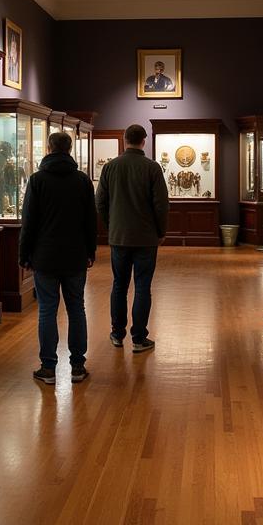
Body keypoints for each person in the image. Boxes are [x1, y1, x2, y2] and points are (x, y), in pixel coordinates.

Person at [19, 130, 97, 385]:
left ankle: (48, 367)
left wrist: (24, 254)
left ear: (50, 148)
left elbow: (28, 222)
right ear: (70, 149)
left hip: (45, 256)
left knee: (47, 311)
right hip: (75, 255)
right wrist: (90, 251)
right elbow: (90, 221)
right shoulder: (82, 180)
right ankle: (77, 366)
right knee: (77, 309)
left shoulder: (37, 180)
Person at [95, 122, 168, 352]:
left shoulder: (110, 167)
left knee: (119, 285)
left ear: (125, 140)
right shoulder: (152, 168)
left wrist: (111, 226)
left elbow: (100, 202)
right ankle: (138, 338)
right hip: (146, 238)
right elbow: (161, 205)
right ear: (143, 141)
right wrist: (161, 231)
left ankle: (117, 334)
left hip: (119, 237)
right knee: (143, 286)